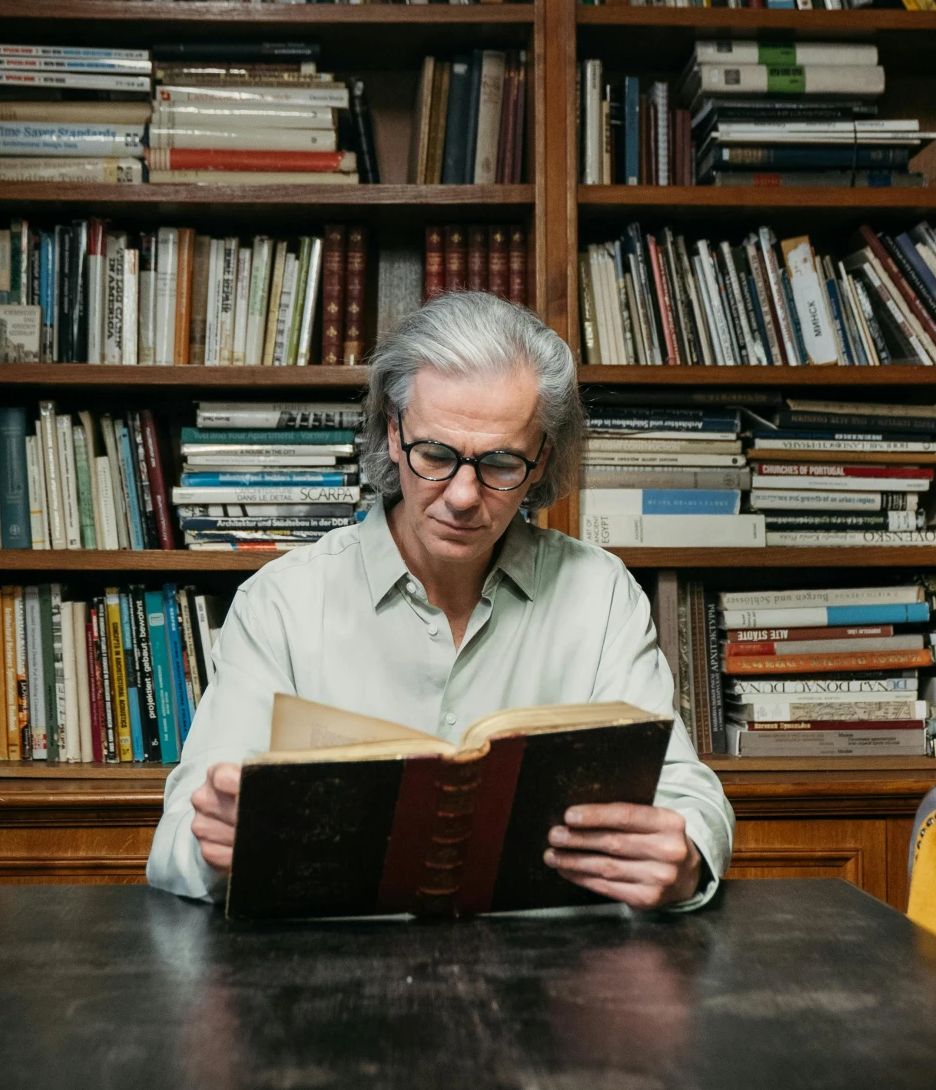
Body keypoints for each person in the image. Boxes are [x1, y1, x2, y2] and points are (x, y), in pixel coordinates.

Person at [147, 292, 733, 911]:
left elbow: (686, 793)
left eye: (501, 463)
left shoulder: (601, 594)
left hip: (551, 981)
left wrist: (686, 857)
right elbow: (175, 847)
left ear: (541, 464)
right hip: (331, 979)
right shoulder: (282, 603)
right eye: (435, 455)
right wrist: (215, 841)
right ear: (393, 435)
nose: (460, 496)